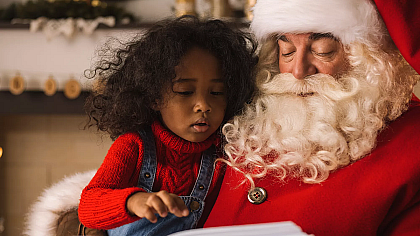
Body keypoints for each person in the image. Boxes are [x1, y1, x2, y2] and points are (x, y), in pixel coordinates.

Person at [204, 0, 420, 235]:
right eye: (287, 51)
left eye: (322, 50)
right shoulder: (242, 118)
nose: (298, 71)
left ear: (368, 57)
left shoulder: (412, 145)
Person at [78, 15, 257, 236]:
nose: (203, 105)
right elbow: (88, 206)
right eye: (185, 92)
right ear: (154, 97)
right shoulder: (133, 146)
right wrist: (133, 201)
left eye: (217, 93)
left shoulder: (226, 152)